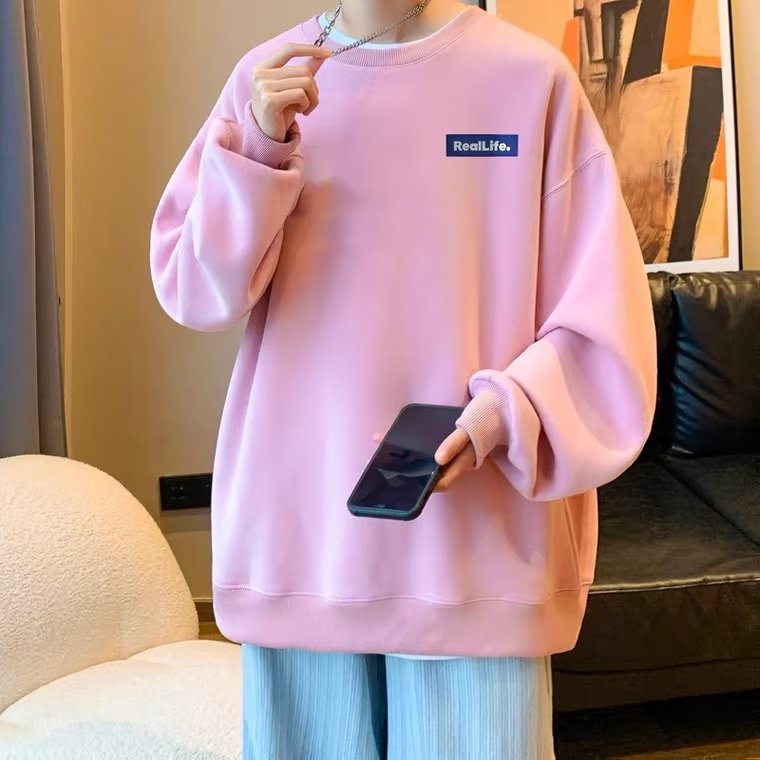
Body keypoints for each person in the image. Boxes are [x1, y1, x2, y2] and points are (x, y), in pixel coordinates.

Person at [149, 1, 657, 757]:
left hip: (473, 551)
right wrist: (258, 148)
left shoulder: (529, 81)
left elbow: (606, 331)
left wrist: (499, 416)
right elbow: (194, 292)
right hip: (305, 540)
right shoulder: (266, 79)